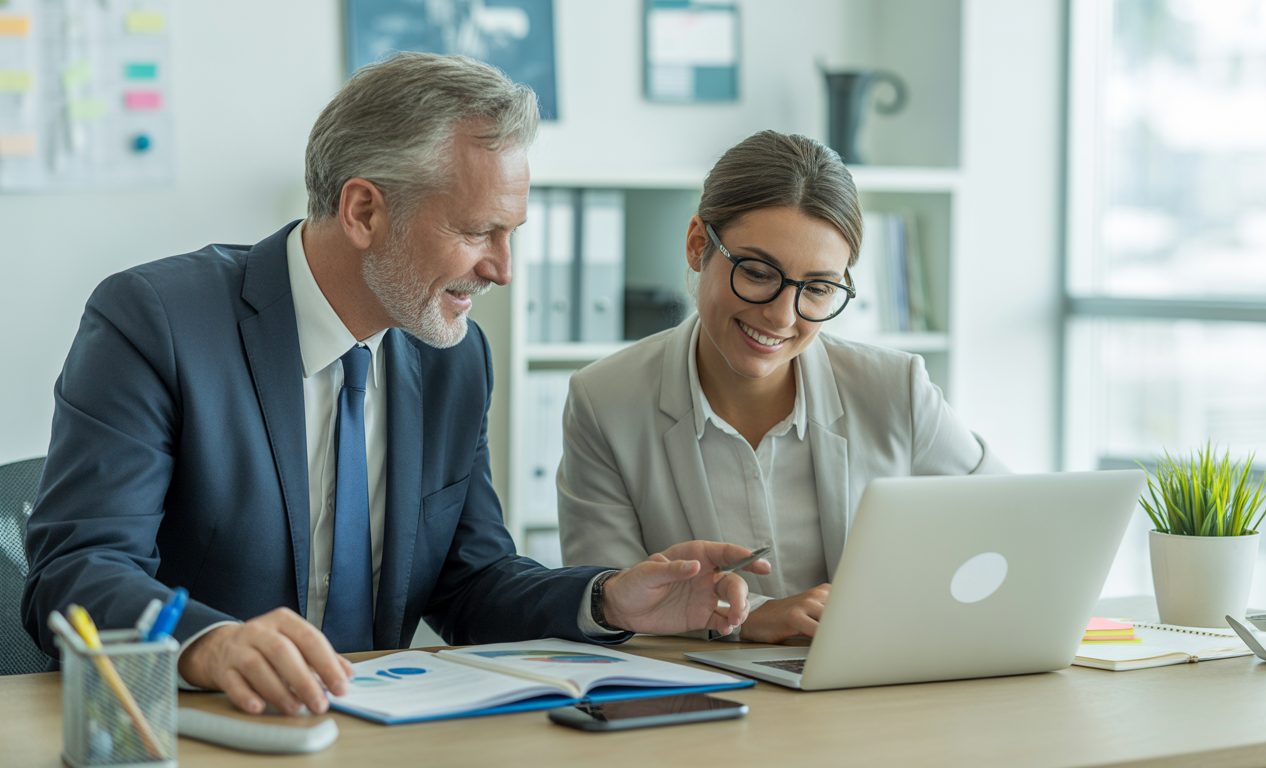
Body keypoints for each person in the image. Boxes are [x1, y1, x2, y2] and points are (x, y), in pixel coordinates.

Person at [21, 53, 768, 717]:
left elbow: (471, 582)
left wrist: (605, 599)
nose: (504, 270)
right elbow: (79, 570)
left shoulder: (454, 356)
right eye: (479, 232)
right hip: (203, 730)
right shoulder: (157, 321)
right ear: (364, 210)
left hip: (373, 730)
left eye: (513, 233)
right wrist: (207, 643)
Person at [557, 130, 1005, 644]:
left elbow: (1011, 521)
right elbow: (611, 613)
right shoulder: (604, 401)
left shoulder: (896, 389)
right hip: (695, 711)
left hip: (871, 695)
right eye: (757, 271)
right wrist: (746, 622)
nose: (780, 315)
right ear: (698, 244)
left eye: (816, 288)